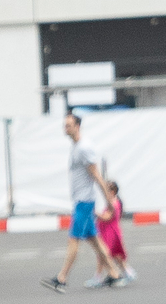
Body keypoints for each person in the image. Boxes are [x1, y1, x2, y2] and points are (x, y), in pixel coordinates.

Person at [43, 111, 114, 294]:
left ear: (77, 126)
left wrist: (109, 202)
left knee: (73, 239)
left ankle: (62, 278)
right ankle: (114, 273)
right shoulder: (75, 146)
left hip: (84, 202)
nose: (65, 128)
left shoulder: (84, 147)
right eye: (64, 125)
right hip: (81, 200)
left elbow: (97, 176)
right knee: (95, 241)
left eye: (68, 125)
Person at [98, 178, 136, 287]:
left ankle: (101, 276)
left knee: (104, 254)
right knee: (115, 255)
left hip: (111, 232)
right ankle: (128, 272)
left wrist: (95, 213)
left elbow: (107, 217)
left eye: (106, 190)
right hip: (109, 231)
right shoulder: (112, 202)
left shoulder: (114, 203)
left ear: (112, 191)